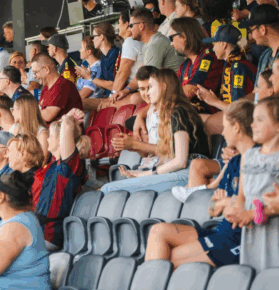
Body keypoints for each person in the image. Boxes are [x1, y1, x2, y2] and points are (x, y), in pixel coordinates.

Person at [146, 100, 254, 268]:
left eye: (225, 127)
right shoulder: (234, 162)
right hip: (221, 232)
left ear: (237, 128)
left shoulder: (259, 163)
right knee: (157, 230)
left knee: (170, 258)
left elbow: (250, 206)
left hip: (240, 240)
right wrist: (222, 203)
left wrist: (225, 202)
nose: (223, 133)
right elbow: (212, 209)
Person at [101, 69, 210, 194]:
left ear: (163, 87)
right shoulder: (169, 112)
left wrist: (146, 174)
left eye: (151, 87)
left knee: (109, 189)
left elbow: (180, 161)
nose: (147, 93)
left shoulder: (178, 112)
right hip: (176, 170)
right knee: (110, 188)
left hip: (189, 172)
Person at [223, 97, 279, 271]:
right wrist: (236, 211)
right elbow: (242, 196)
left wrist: (256, 213)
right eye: (253, 120)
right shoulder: (248, 156)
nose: (253, 125)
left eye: (260, 120)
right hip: (252, 231)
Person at [32, 110, 90, 250]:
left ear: (60, 140)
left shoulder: (69, 166)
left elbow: (67, 126)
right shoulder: (51, 166)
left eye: (50, 136)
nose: (47, 139)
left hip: (48, 235)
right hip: (33, 231)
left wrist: (67, 117)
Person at [196, 24, 256, 134]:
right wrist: (208, 98)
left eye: (215, 44)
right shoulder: (231, 64)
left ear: (223, 44)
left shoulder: (239, 67)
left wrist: (214, 101)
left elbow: (238, 109)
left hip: (243, 123)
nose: (213, 48)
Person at [170, 17, 224, 112]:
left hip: (211, 113)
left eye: (172, 38)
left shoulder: (209, 57)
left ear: (183, 36)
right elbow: (172, 89)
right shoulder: (185, 64)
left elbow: (189, 91)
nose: (171, 44)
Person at [32, 53, 83, 125]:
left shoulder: (63, 85)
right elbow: (40, 110)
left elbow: (48, 115)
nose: (34, 76)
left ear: (46, 69)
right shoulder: (45, 88)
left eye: (35, 72)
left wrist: (28, 112)